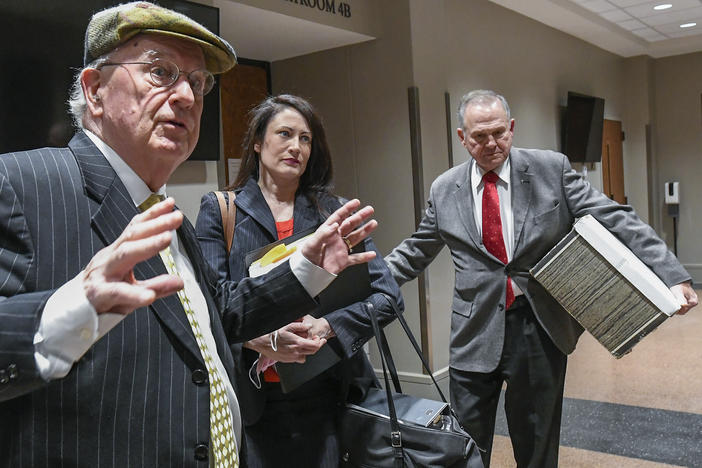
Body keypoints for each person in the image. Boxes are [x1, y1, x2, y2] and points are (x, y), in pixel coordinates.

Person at [0, 3, 379, 466]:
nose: (187, 97)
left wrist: (306, 269)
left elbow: (217, 319)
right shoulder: (20, 183)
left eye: (198, 83)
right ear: (95, 89)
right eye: (160, 72)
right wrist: (71, 310)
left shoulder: (165, 212)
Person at [385, 89, 698, 468]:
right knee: (465, 445)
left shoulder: (551, 169)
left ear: (512, 128)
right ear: (461, 137)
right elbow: (416, 250)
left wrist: (672, 274)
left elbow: (615, 217)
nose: (491, 144)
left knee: (536, 444)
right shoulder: (443, 189)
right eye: (479, 136)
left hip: (537, 327)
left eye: (499, 132)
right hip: (473, 332)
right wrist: (363, 283)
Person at [196, 94, 403, 468]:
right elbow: (209, 305)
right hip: (255, 400)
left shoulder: (333, 213)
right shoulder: (221, 210)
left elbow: (388, 297)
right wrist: (264, 340)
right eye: (285, 134)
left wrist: (326, 327)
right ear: (258, 143)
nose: (296, 146)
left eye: (305, 138)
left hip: (331, 394)